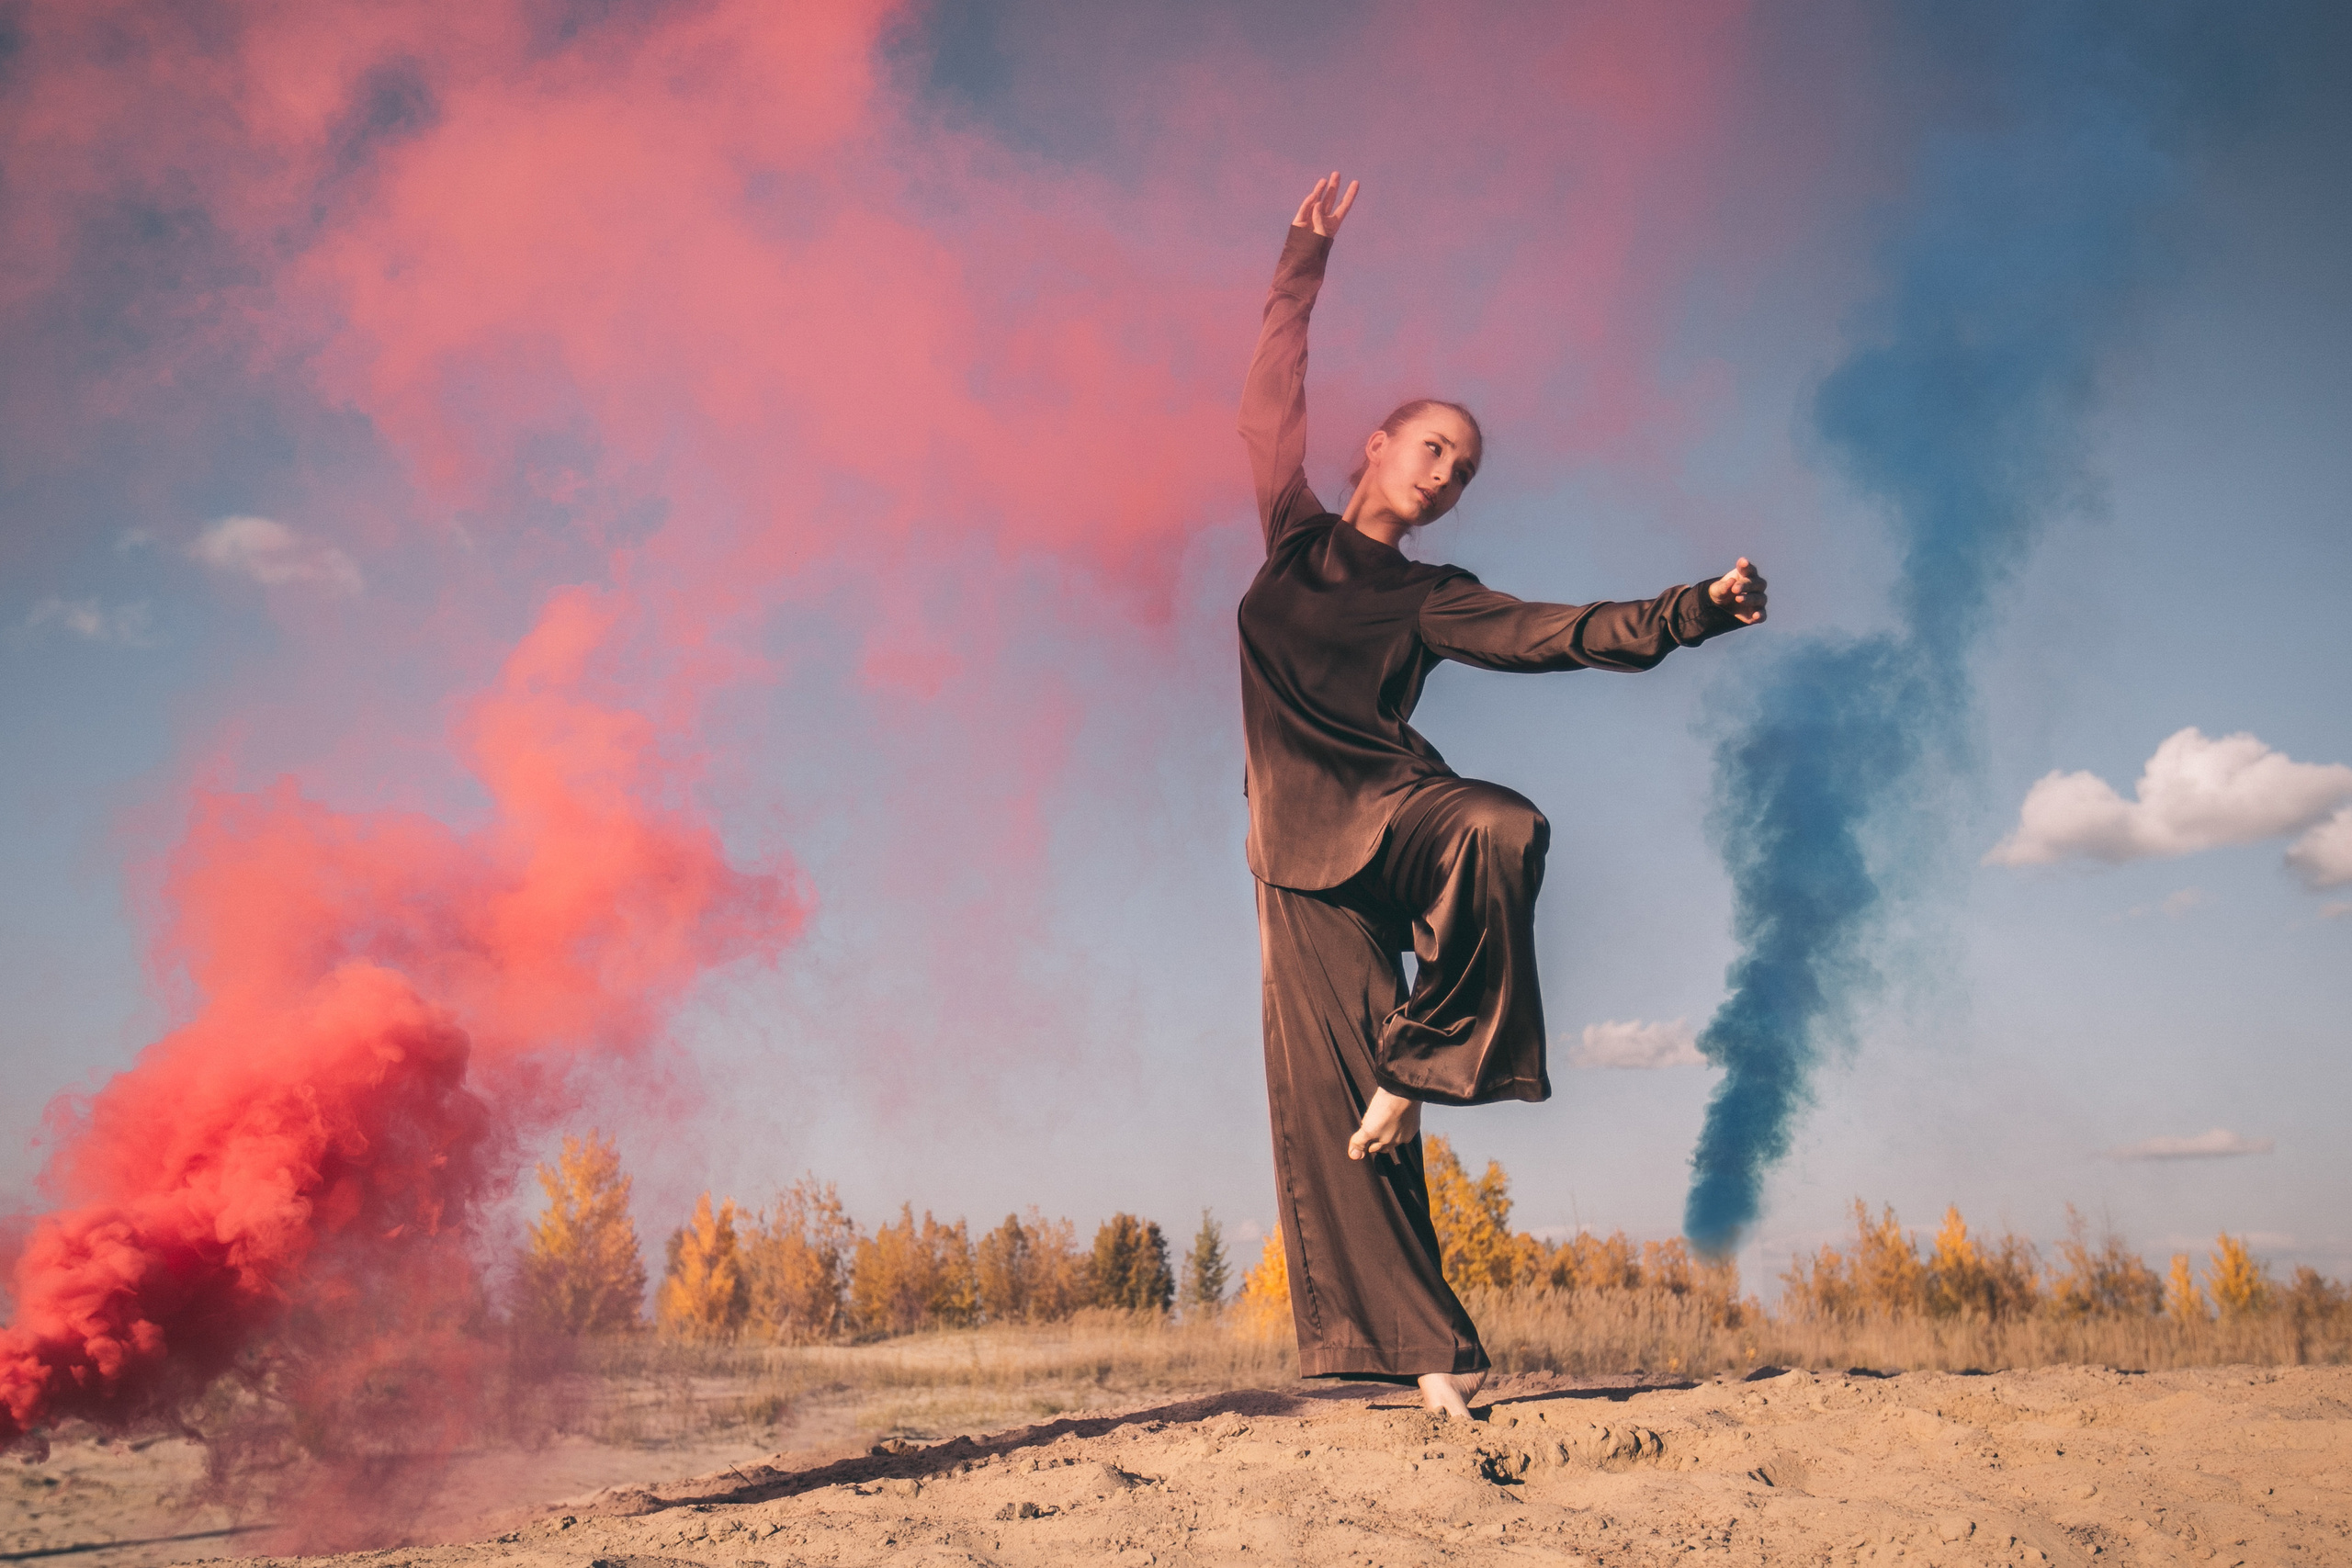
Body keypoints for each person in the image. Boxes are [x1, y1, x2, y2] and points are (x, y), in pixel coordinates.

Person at [1238, 173, 1766, 1420]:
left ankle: (1422, 1058)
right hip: (1292, 859)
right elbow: (1270, 391)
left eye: (1464, 469)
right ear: (1375, 446)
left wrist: (1693, 611)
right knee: (1333, 1125)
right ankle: (1430, 1367)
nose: (1448, 473)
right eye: (1434, 446)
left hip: (1396, 815)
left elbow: (1558, 631)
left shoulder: (1434, 594)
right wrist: (1303, 254)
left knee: (1503, 822)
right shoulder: (1291, 535)